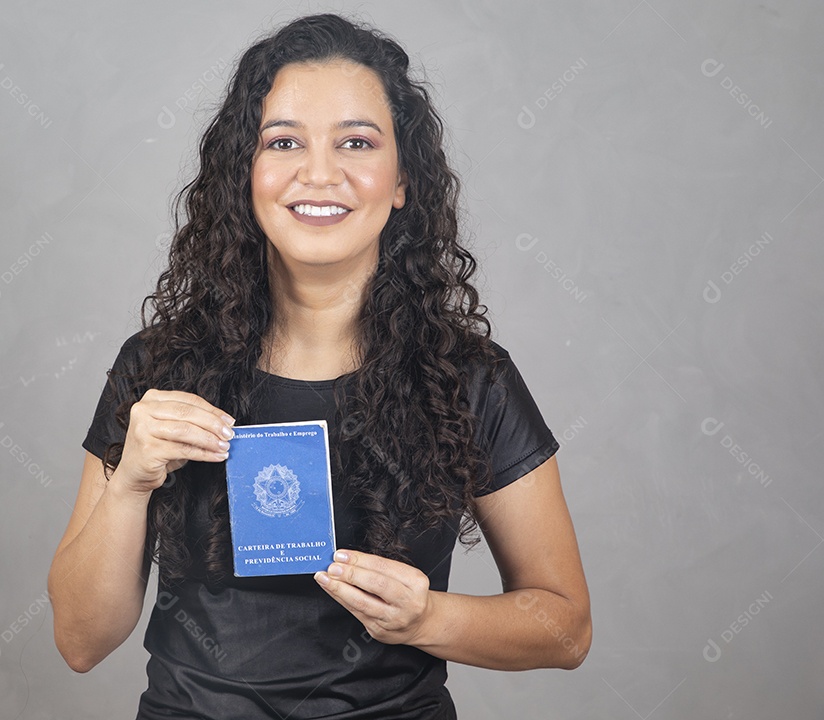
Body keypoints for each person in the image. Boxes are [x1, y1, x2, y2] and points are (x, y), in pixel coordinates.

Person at [48, 13, 590, 720]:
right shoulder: (157, 368)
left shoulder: (469, 380)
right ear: (245, 174)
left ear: (402, 181)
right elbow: (82, 642)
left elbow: (566, 629)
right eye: (284, 142)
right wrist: (130, 485)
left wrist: (428, 618)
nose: (320, 173)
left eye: (357, 142)